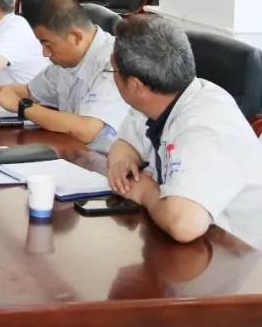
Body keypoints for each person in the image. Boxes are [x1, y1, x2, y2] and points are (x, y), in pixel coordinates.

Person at [106, 15, 262, 246]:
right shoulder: (160, 99)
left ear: (136, 85)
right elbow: (126, 142)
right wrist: (121, 160)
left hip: (239, 252)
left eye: (114, 72)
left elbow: (184, 224)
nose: (113, 79)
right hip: (197, 244)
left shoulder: (204, 127)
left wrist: (145, 192)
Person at [0, 0, 131, 153]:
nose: (45, 53)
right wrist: (0, 91)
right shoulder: (65, 60)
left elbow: (87, 129)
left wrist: (22, 107)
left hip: (105, 161)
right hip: (72, 151)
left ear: (76, 37)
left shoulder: (114, 62)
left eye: (48, 45)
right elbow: (31, 92)